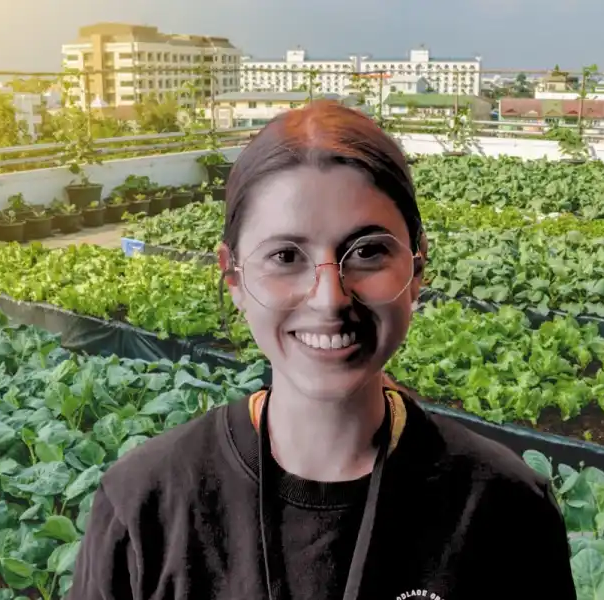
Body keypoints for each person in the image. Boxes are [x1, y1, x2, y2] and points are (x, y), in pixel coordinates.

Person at [68, 100, 576, 600]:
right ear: (234, 277)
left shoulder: (504, 508)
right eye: (286, 256)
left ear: (418, 267)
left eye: (368, 251)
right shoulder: (143, 506)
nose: (331, 299)